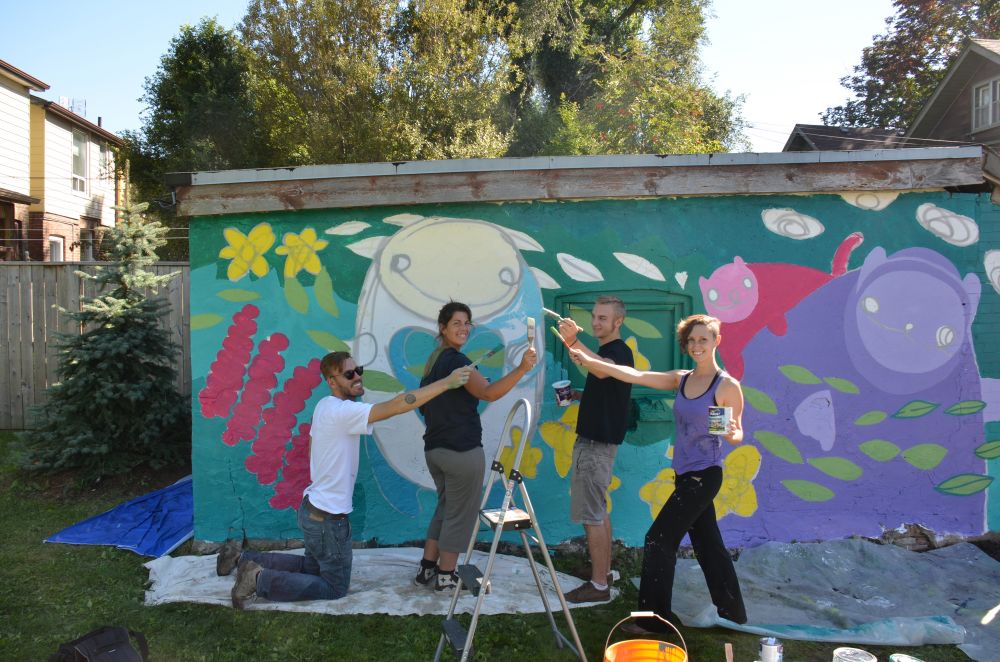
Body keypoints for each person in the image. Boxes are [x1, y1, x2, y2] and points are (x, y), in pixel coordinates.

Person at [216, 351, 472, 609]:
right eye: (349, 374)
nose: (358, 377)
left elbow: (312, 448)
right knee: (334, 587)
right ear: (332, 381)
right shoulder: (343, 411)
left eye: (358, 370)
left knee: (310, 567)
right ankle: (257, 580)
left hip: (312, 509)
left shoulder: (324, 406)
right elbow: (397, 406)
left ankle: (238, 558)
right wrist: (446, 383)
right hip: (328, 519)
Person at [569, 313, 748, 632]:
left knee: (658, 539)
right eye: (691, 340)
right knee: (708, 544)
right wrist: (585, 355)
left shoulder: (725, 386)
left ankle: (654, 621)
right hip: (685, 474)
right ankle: (733, 612)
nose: (696, 345)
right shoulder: (681, 379)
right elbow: (631, 375)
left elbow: (731, 435)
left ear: (716, 341)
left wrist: (733, 431)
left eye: (703, 339)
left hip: (704, 476)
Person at [413, 301, 537, 591]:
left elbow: (436, 403)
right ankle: (446, 576)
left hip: (436, 450)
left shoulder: (435, 361)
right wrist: (522, 368)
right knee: (460, 515)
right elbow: (489, 393)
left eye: (467, 323)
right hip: (461, 451)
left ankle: (427, 569)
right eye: (456, 323)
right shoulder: (457, 362)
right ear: (443, 327)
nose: (464, 328)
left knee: (445, 508)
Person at [557, 295, 633, 603]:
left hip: (596, 444)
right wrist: (578, 394)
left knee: (592, 514)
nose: (596, 322)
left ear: (618, 322)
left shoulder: (618, 352)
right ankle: (606, 573)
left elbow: (603, 371)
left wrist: (572, 341)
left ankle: (599, 586)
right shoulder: (607, 351)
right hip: (596, 442)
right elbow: (604, 383)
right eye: (594, 316)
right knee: (598, 510)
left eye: (603, 318)